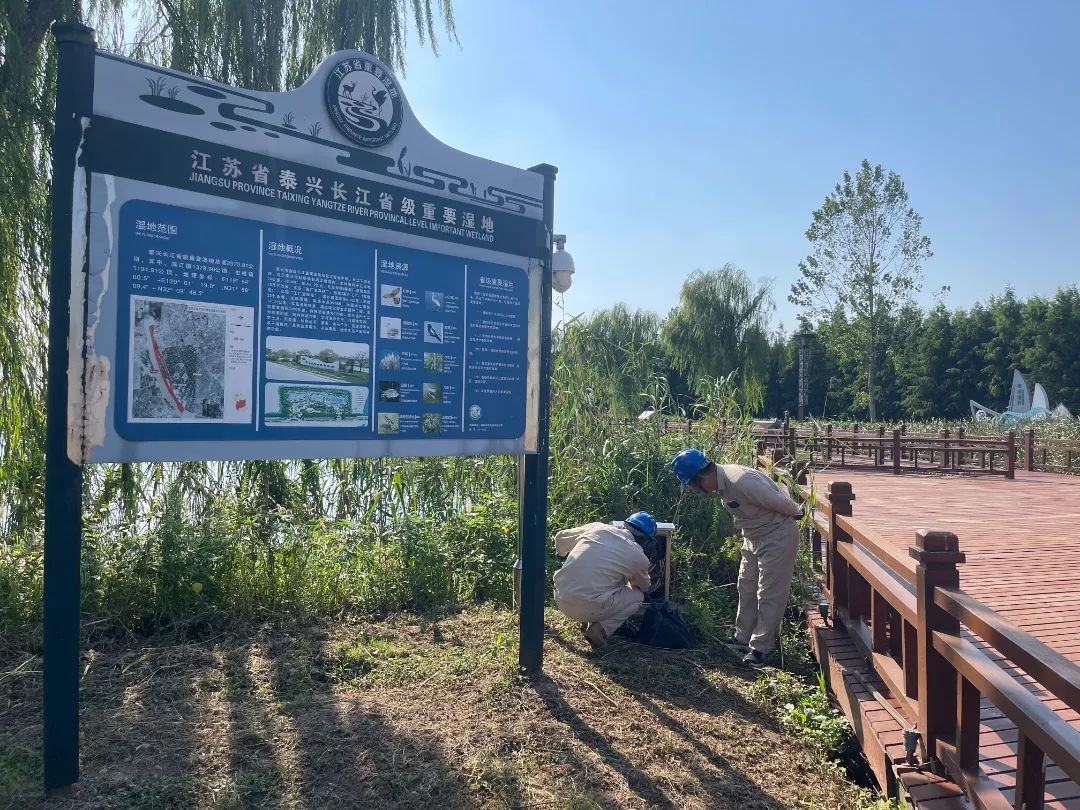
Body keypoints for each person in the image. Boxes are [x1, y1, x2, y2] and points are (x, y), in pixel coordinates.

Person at [671, 448, 803, 668]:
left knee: (769, 593)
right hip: (752, 537)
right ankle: (742, 638)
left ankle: (761, 649)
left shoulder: (741, 481)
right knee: (746, 586)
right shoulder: (723, 485)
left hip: (777, 535)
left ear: (701, 478)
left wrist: (794, 515)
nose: (693, 490)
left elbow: (786, 504)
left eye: (692, 486)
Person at [552, 511, 658, 650]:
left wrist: (563, 554)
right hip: (590, 607)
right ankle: (599, 629)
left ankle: (590, 617)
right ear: (647, 541)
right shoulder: (639, 556)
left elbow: (560, 537)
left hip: (561, 598)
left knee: (604, 583)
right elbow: (643, 587)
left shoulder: (598, 527)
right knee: (637, 597)